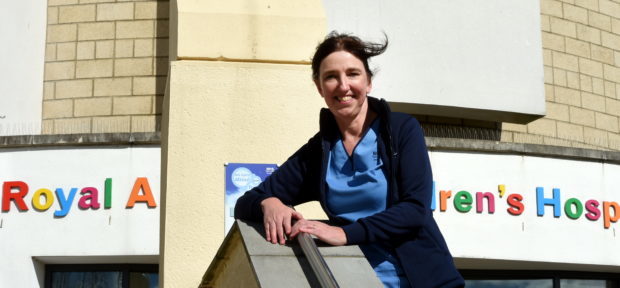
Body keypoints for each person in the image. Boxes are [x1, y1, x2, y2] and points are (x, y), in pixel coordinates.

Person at [234, 32, 464, 288]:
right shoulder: (319, 151)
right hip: (357, 280)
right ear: (319, 87)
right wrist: (268, 202)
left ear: (368, 82)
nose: (343, 86)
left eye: (352, 74)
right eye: (331, 77)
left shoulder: (402, 130)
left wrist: (344, 233)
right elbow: (244, 203)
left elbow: (415, 209)